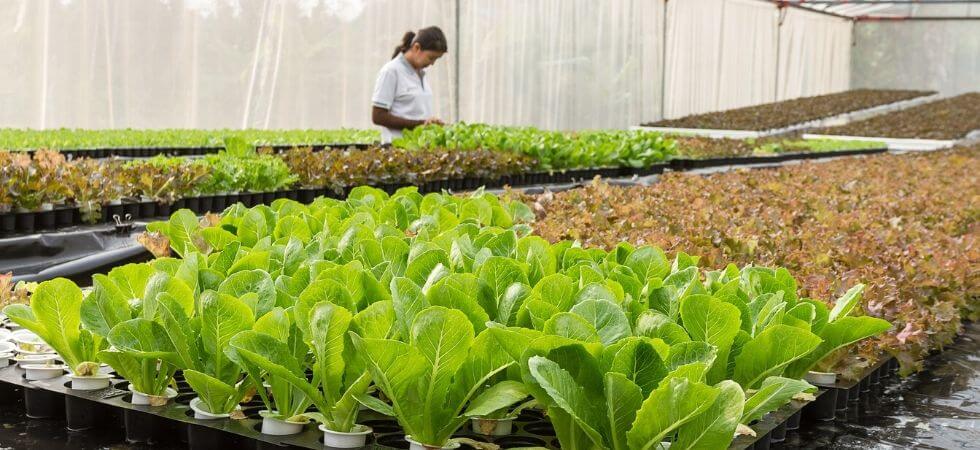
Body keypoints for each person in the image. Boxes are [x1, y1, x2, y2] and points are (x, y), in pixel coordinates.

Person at [371, 26, 448, 144]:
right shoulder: (391, 71)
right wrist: (420, 124)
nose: (432, 63)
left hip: (417, 148)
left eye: (436, 59)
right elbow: (378, 116)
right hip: (396, 149)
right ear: (417, 48)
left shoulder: (421, 74)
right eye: (431, 58)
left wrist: (430, 124)